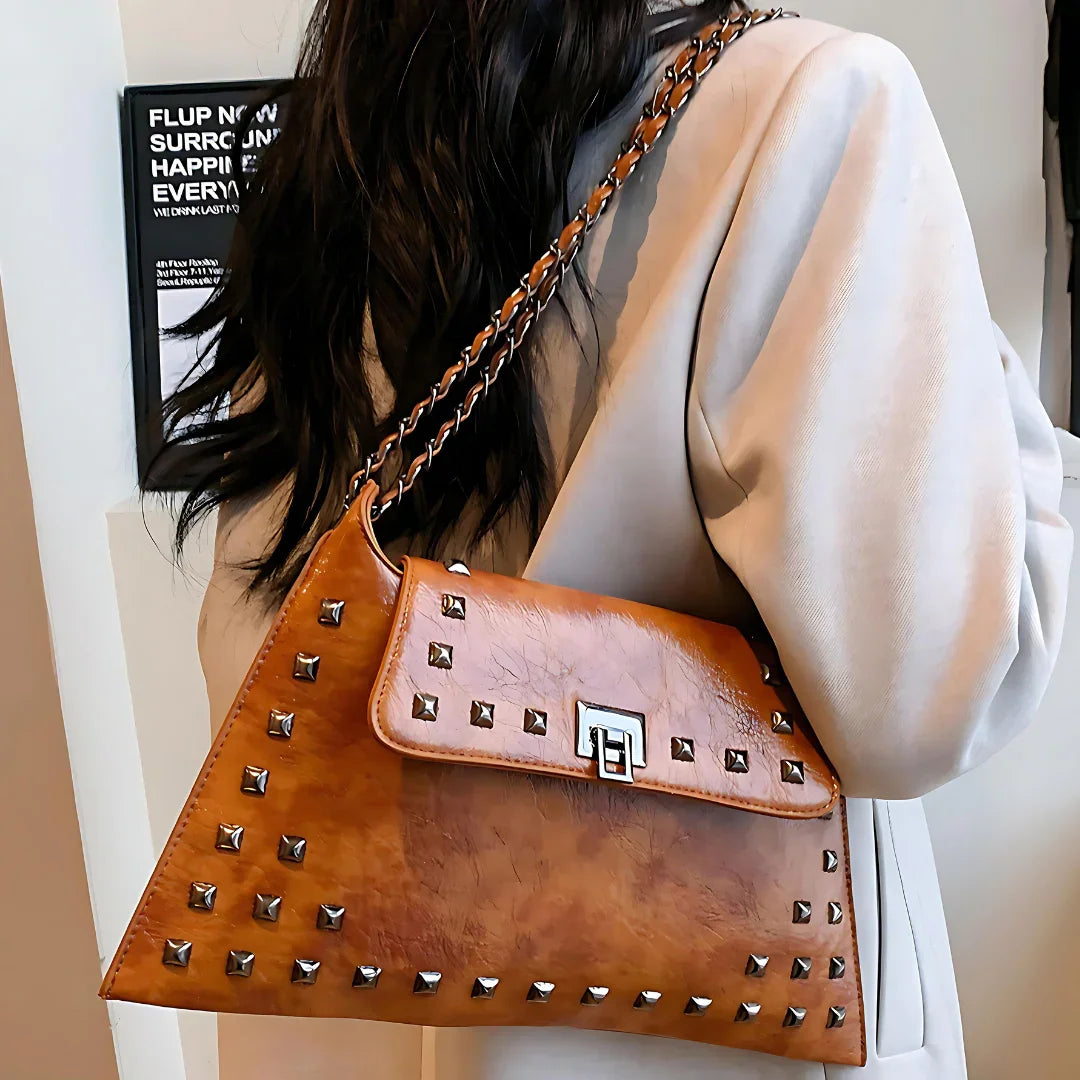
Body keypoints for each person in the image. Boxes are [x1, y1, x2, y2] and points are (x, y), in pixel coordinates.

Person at [162, 2, 1073, 1077]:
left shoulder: (346, 146)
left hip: (356, 997)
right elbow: (926, 700)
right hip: (705, 1033)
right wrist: (978, 381)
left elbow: (264, 630)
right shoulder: (809, 101)